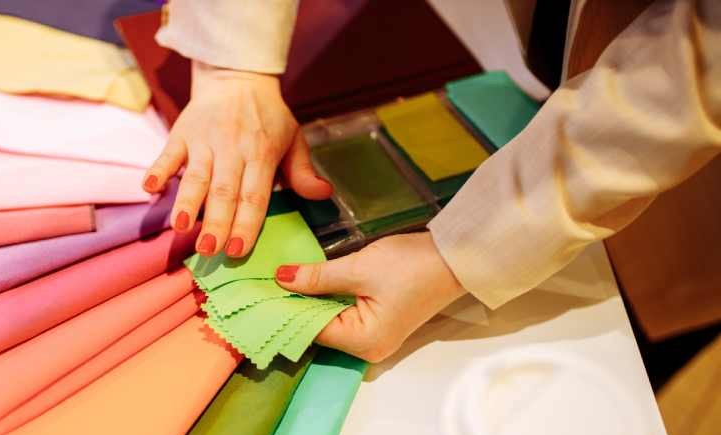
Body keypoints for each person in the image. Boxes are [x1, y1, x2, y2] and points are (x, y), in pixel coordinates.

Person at [140, 0, 721, 363]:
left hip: (682, 171)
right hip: (529, 47)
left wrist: (459, 254)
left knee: (620, 364)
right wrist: (232, 61)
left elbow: (698, 61)